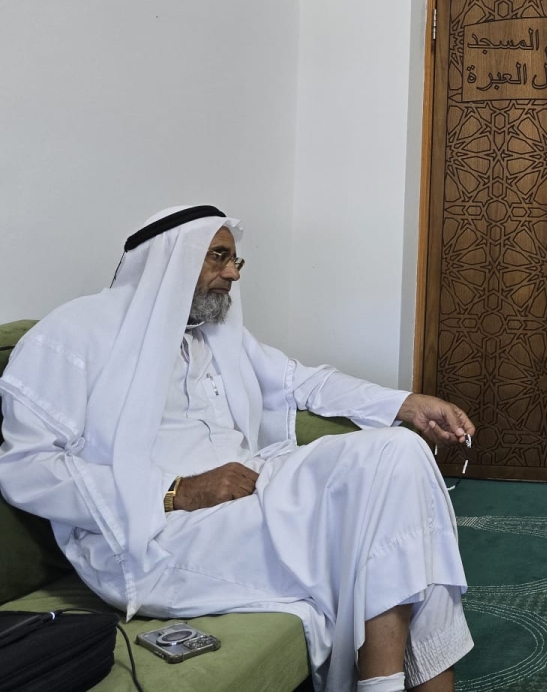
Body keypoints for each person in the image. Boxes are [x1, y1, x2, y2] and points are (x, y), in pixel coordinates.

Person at [0, 206, 476, 692]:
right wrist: (177, 490)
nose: (233, 273)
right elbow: (25, 467)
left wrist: (407, 405)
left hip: (248, 494)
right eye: (218, 257)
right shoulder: (74, 333)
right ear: (171, 260)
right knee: (384, 521)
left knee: (399, 453)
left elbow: (302, 382)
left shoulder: (211, 336)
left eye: (235, 260)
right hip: (154, 536)